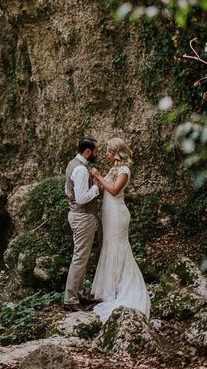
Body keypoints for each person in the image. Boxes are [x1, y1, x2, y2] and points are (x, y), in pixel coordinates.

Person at [89, 137, 151, 322]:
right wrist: (97, 181)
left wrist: (100, 177)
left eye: (108, 151)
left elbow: (115, 190)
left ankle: (122, 288)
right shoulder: (113, 169)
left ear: (117, 152)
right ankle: (112, 288)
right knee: (110, 246)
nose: (106, 154)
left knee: (118, 247)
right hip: (109, 213)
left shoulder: (124, 170)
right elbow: (104, 190)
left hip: (118, 214)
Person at [63, 137, 102, 311]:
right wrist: (96, 188)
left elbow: (67, 190)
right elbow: (81, 198)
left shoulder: (73, 164)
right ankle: (70, 299)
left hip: (77, 215)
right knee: (79, 258)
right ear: (88, 152)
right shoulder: (81, 169)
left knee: (82, 257)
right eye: (96, 151)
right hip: (82, 217)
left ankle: (77, 294)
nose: (97, 153)